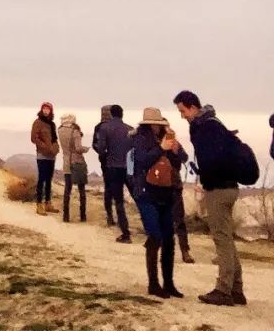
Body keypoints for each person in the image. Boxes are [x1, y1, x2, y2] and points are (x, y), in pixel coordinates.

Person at [174, 90, 246, 306]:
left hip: (219, 189)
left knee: (221, 239)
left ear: (192, 106)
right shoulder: (214, 124)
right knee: (226, 239)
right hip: (228, 187)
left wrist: (206, 180)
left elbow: (212, 160)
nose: (182, 116)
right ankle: (236, 289)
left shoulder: (206, 128)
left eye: (182, 110)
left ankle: (224, 290)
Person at [131, 108, 186, 299]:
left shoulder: (166, 137)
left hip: (166, 192)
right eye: (155, 124)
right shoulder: (139, 139)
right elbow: (142, 160)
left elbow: (181, 161)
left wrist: (176, 150)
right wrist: (161, 148)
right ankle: (153, 284)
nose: (157, 128)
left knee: (169, 239)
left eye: (160, 125)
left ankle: (169, 284)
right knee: (155, 236)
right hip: (146, 193)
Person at [99, 104, 133, 241]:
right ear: (122, 114)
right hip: (128, 167)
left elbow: (101, 148)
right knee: (137, 197)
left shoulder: (104, 128)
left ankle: (125, 233)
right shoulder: (130, 129)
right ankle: (150, 228)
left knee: (118, 200)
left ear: (111, 114)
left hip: (113, 167)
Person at [58, 113, 89, 223]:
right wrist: (86, 149)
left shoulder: (60, 130)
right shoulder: (75, 131)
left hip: (66, 162)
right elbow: (78, 148)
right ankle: (83, 216)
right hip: (77, 163)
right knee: (81, 190)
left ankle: (66, 216)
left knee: (67, 190)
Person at [30, 102, 59, 214]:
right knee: (41, 179)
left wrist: (56, 148)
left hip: (51, 156)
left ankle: (48, 203)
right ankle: (39, 204)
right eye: (44, 109)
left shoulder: (52, 124)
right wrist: (45, 147)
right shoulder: (37, 122)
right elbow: (34, 138)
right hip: (42, 155)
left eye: (48, 109)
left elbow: (54, 139)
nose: (46, 111)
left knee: (49, 180)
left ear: (51, 111)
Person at [92, 104, 114, 225]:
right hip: (118, 161)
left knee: (108, 188)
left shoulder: (98, 127)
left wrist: (102, 153)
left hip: (105, 161)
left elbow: (95, 144)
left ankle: (110, 215)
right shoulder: (119, 126)